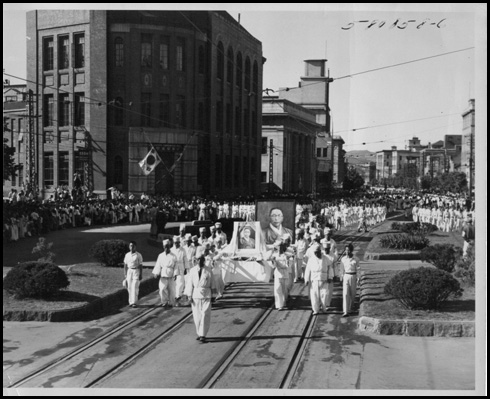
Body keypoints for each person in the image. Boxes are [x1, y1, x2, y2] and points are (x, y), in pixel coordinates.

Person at [185, 255, 215, 343]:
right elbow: (190, 283)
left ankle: (203, 334)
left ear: (204, 260)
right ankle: (199, 333)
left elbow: (212, 283)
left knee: (205, 314)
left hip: (206, 294)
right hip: (196, 295)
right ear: (196, 260)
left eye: (202, 259)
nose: (200, 261)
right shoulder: (192, 270)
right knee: (197, 315)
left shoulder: (208, 270)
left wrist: (213, 296)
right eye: (198, 259)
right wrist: (189, 295)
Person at [304, 244, 335, 315]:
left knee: (324, 295)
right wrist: (306, 279)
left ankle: (324, 308)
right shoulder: (311, 259)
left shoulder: (326, 258)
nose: (316, 254)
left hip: (324, 279)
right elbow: (307, 269)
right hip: (314, 280)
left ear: (320, 251)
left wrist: (330, 277)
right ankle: (316, 310)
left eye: (317, 252)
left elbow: (330, 268)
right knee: (314, 295)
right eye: (315, 252)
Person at [152, 239, 179, 307]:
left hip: (171, 275)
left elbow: (176, 266)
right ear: (163, 247)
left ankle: (171, 302)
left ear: (170, 246)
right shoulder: (160, 255)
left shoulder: (174, 256)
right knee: (162, 289)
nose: (166, 248)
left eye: (168, 246)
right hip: (163, 275)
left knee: (172, 290)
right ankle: (164, 301)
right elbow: (158, 265)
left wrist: (175, 274)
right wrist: (156, 273)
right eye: (165, 246)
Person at [339, 243, 360, 317]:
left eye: (348, 250)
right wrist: (341, 278)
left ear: (351, 251)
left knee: (353, 294)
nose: (347, 252)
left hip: (353, 276)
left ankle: (350, 308)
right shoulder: (343, 259)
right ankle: (345, 311)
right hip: (346, 276)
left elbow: (358, 269)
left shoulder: (356, 259)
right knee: (345, 294)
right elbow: (341, 270)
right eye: (346, 250)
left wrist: (358, 278)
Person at [270, 240, 290, 310]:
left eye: (281, 246)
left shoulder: (286, 255)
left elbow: (287, 265)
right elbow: (273, 266)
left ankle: (283, 303)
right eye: (278, 246)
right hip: (278, 274)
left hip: (285, 274)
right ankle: (279, 305)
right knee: (278, 289)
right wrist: (273, 261)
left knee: (284, 290)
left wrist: (285, 261)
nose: (280, 247)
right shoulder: (274, 255)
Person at [123, 241, 144, 307]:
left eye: (133, 246)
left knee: (135, 286)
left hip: (136, 271)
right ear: (129, 247)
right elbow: (125, 265)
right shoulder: (127, 255)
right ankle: (131, 302)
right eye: (130, 246)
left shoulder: (138, 255)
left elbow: (140, 265)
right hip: (129, 271)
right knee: (129, 287)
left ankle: (134, 302)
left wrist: (140, 274)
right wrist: (125, 274)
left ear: (135, 247)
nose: (132, 247)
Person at [171, 236, 189, 304]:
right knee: (174, 283)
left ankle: (178, 296)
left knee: (181, 282)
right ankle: (175, 296)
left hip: (181, 266)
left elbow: (185, 259)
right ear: (173, 243)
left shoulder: (183, 250)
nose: (177, 244)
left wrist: (186, 268)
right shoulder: (171, 250)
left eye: (178, 243)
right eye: (175, 243)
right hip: (174, 267)